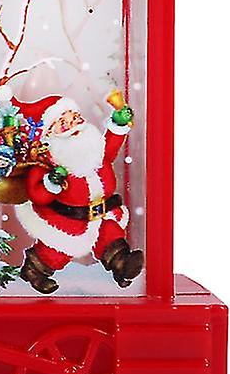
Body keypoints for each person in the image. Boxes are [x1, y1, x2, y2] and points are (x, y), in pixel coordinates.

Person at [11, 93, 145, 293]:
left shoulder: (94, 148)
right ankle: (34, 272)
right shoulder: (47, 161)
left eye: (74, 117)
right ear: (49, 132)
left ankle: (123, 266)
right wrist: (51, 182)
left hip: (104, 213)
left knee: (111, 237)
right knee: (55, 252)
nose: (71, 124)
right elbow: (37, 194)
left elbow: (110, 146)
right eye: (62, 122)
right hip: (67, 222)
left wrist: (118, 123)